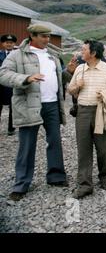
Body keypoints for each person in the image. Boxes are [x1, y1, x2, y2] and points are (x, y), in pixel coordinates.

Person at [0, 25, 68, 201]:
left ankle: (56, 176)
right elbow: (3, 74)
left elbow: (59, 78)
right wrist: (26, 79)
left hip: (51, 104)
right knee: (27, 144)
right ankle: (21, 184)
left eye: (48, 36)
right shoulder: (18, 54)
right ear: (32, 36)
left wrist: (69, 72)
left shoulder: (52, 55)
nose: (47, 40)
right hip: (29, 104)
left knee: (54, 141)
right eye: (43, 36)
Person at [68, 40, 106, 199]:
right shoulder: (79, 69)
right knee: (83, 150)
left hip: (103, 111)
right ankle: (85, 185)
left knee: (104, 149)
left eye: (84, 49)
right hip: (83, 112)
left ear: (93, 53)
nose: (81, 52)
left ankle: (105, 177)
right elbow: (70, 90)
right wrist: (76, 86)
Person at [0, 34, 17, 136]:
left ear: (14, 44)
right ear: (3, 44)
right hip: (1, 86)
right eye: (7, 43)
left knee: (13, 108)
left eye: (11, 43)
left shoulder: (17, 56)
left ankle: (11, 128)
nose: (9, 44)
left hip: (12, 85)